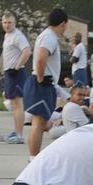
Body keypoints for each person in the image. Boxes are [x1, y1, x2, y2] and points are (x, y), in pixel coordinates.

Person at [24, 8, 69, 159]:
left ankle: (34, 156)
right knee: (38, 122)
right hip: (42, 83)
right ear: (63, 23)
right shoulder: (49, 37)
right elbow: (41, 58)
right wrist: (41, 79)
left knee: (41, 123)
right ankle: (33, 158)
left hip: (44, 83)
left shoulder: (46, 35)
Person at [1, 14, 32, 144]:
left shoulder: (18, 36)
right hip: (9, 72)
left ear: (15, 23)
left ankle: (19, 135)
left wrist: (17, 67)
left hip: (16, 73)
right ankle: (16, 131)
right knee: (14, 104)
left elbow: (27, 51)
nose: (7, 25)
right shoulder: (7, 36)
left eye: (9, 22)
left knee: (18, 104)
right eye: (4, 22)